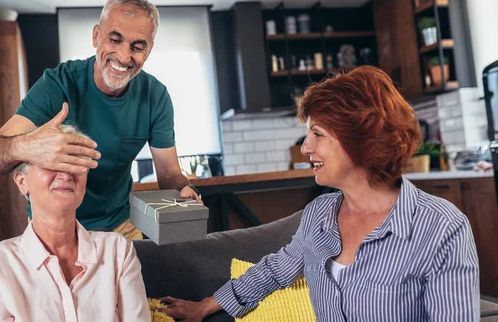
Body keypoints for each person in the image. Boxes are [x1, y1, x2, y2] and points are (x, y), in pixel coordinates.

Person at [160, 66, 480, 321]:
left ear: (361, 138)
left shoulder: (441, 228)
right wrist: (204, 306)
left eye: (317, 134)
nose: (305, 148)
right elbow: (275, 270)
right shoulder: (320, 214)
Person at [0, 0, 201, 240]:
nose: (124, 57)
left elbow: (169, 173)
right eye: (114, 40)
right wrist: (27, 146)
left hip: (121, 226)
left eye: (137, 46)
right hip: (53, 227)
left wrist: (183, 189)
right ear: (96, 36)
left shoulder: (156, 97)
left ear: (149, 49)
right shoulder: (57, 85)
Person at [0, 125, 150, 321]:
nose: (66, 174)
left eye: (75, 164)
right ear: (21, 181)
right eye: (52, 163)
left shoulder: (118, 251)